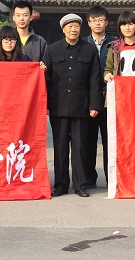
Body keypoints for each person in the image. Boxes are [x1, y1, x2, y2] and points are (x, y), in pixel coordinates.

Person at [41, 13, 103, 198]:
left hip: (81, 107)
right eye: (70, 27)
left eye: (76, 26)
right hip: (58, 106)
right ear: (63, 29)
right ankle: (61, 184)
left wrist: (95, 105)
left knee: (80, 147)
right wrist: (45, 104)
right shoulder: (52, 50)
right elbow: (45, 79)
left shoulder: (89, 50)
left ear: (80, 28)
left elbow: (95, 79)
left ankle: (80, 185)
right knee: (60, 147)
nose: (73, 29)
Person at [85, 6, 114, 188]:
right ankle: (89, 178)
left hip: (110, 99)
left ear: (106, 22)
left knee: (110, 141)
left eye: (101, 20)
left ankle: (111, 178)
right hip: (88, 100)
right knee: (88, 141)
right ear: (88, 23)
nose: (98, 23)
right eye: (94, 20)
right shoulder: (82, 44)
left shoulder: (115, 45)